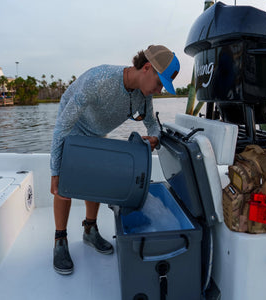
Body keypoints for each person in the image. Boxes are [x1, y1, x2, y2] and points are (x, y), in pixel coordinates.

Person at [50, 45, 180, 275]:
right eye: (159, 83)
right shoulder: (98, 79)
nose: (159, 90)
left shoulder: (143, 95)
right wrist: (55, 171)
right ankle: (60, 240)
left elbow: (151, 123)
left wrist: (155, 138)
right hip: (73, 127)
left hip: (98, 131)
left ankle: (90, 231)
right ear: (147, 68)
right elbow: (62, 126)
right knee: (64, 186)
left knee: (99, 179)